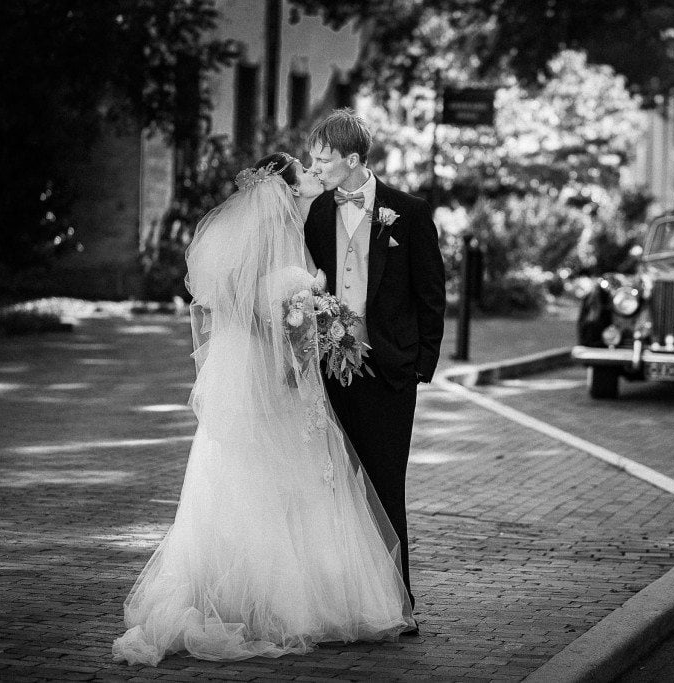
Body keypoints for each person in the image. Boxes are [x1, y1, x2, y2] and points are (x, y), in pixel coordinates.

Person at [112, 153, 415, 667]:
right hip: (274, 381)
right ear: (286, 192)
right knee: (268, 479)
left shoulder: (290, 236)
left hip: (286, 380)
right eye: (303, 178)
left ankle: (284, 595)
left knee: (282, 481)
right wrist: (297, 339)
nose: (310, 183)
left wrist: (311, 328)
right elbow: (251, 312)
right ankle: (277, 603)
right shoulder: (267, 247)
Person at [303, 109, 446, 623]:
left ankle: (396, 604)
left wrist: (418, 367)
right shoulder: (315, 214)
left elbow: (432, 296)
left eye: (324, 160)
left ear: (354, 159)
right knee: (334, 486)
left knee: (386, 487)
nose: (314, 167)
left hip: (389, 373)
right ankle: (340, 604)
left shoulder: (409, 213)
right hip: (328, 372)